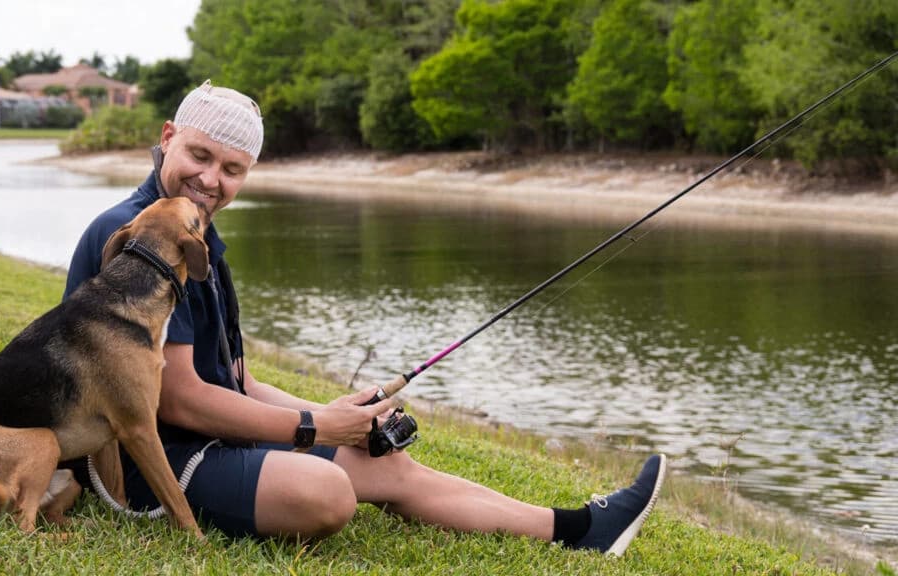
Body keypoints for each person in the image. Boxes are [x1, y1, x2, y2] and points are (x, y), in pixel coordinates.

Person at [63, 81, 667, 556]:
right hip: (149, 467)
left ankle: (581, 529)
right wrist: (314, 429)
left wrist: (335, 415)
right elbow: (180, 403)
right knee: (326, 495)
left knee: (389, 462)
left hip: (211, 440)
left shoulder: (201, 238)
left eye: (232, 169)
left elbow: (236, 382)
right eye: (200, 155)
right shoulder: (134, 233)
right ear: (169, 136)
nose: (210, 180)